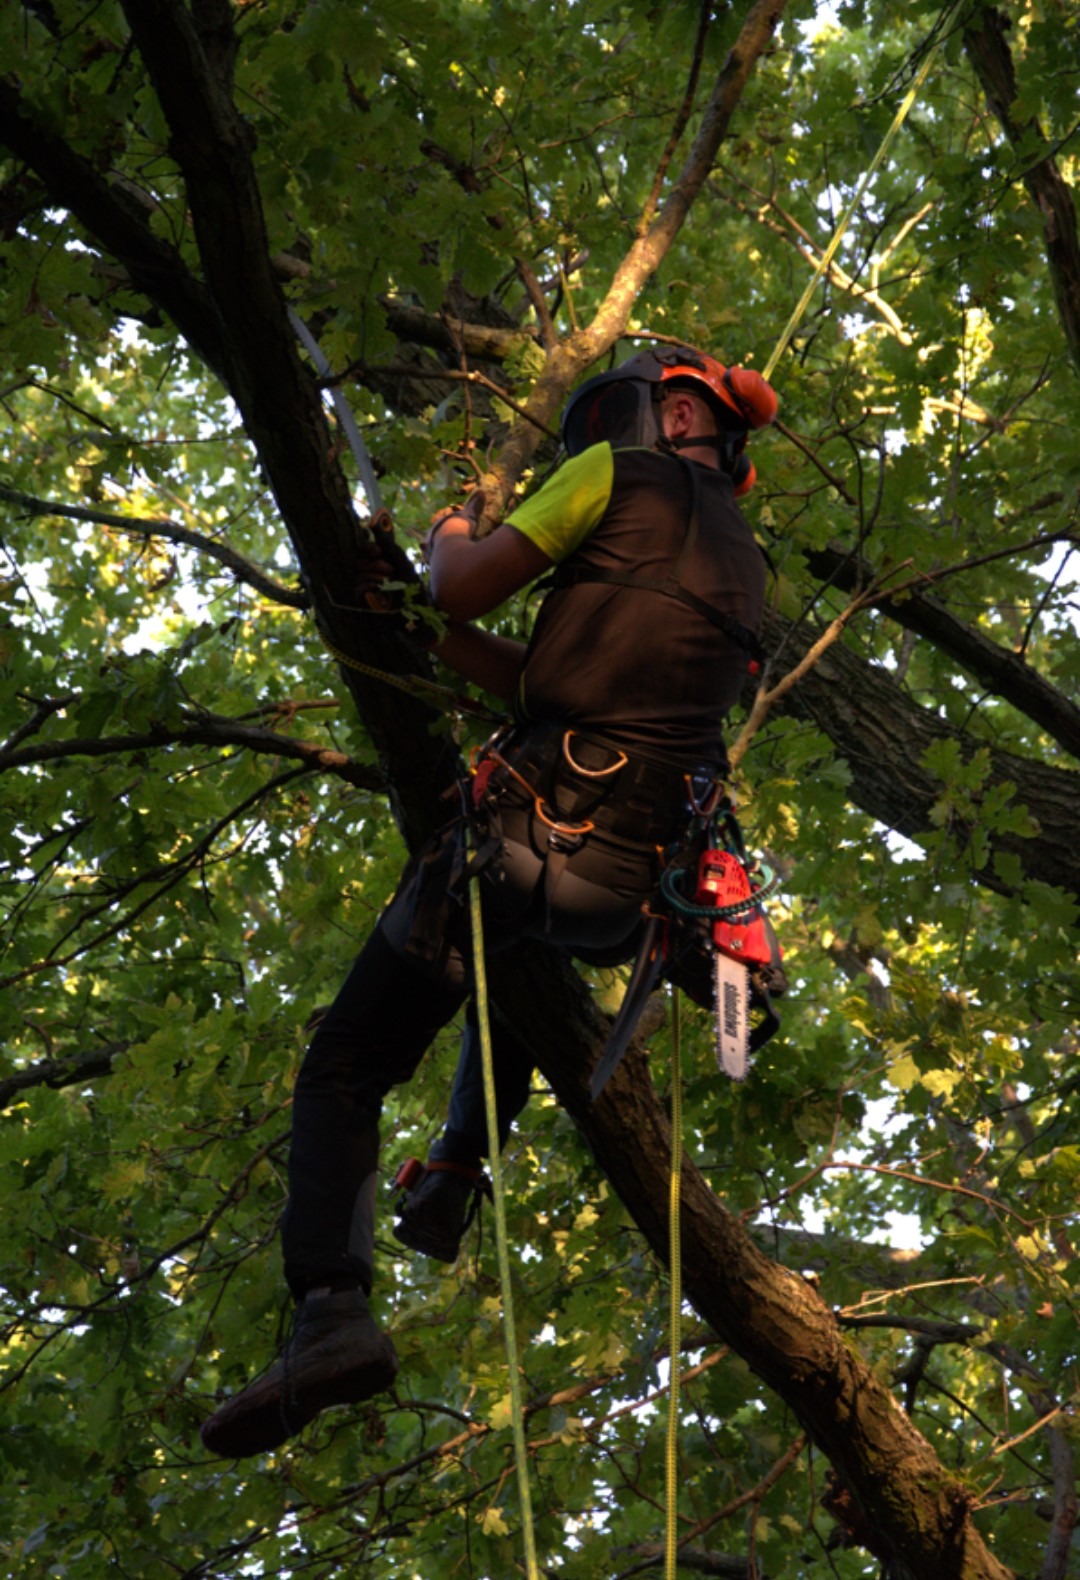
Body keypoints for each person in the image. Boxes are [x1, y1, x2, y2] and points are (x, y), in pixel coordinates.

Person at [200, 345, 777, 1459]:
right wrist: (437, 641)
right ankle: (458, 1163)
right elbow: (549, 674)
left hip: (519, 838)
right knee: (505, 971)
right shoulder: (743, 558)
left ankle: (329, 1306)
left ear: (659, 413)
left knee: (346, 1061)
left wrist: (448, 541)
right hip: (623, 894)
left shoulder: (618, 474)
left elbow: (462, 582)